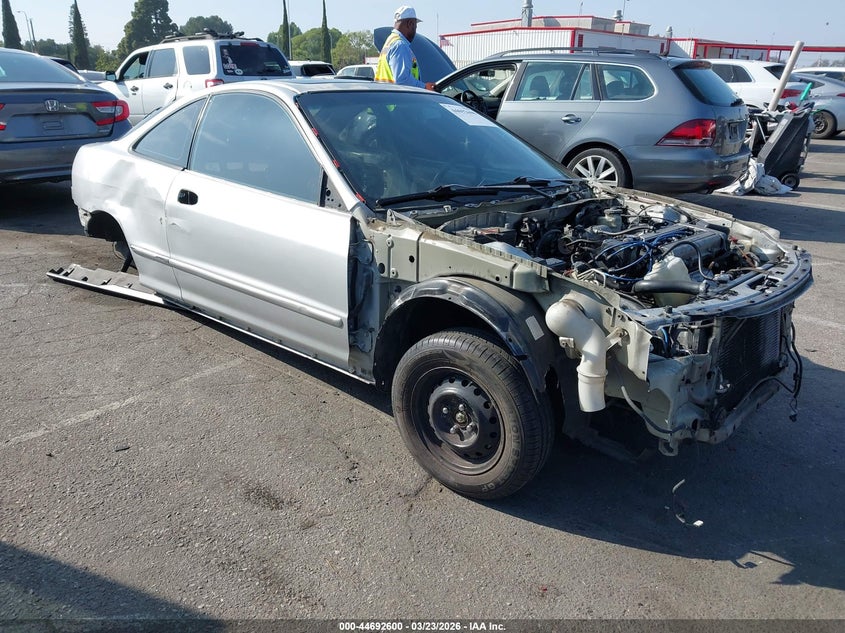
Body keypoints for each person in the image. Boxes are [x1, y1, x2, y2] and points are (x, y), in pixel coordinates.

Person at [374, 5, 435, 90]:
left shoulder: (390, 41)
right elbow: (402, 81)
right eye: (415, 27)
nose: (415, 31)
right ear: (410, 24)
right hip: (396, 97)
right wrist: (425, 87)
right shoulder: (400, 45)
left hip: (386, 95)